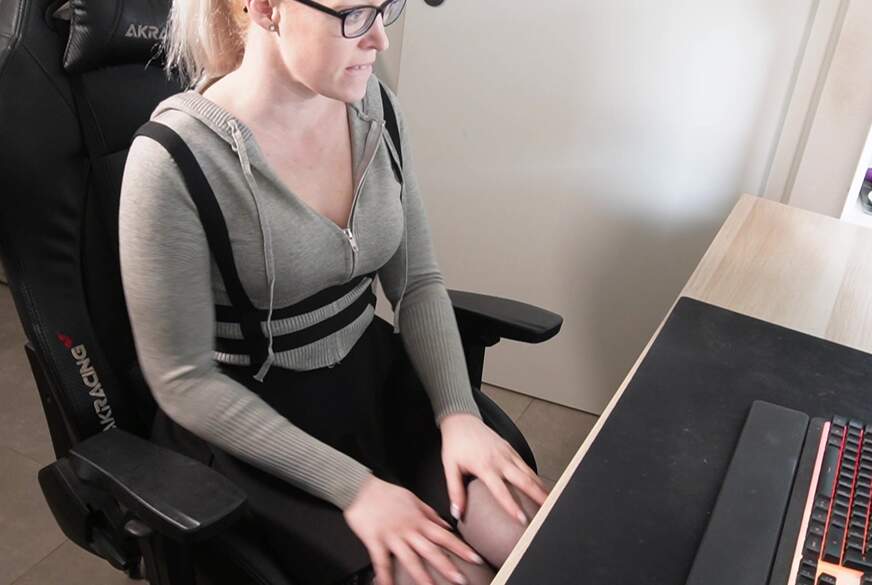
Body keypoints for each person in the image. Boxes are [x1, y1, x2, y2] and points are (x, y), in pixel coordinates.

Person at [118, 0, 549, 584]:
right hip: (256, 430)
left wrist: (457, 413)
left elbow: (418, 283)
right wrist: (356, 489)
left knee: (536, 537)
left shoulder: (375, 108)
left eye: (385, 7)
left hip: (372, 385)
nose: (380, 40)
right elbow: (183, 381)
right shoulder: (173, 159)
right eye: (353, 14)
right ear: (266, 8)